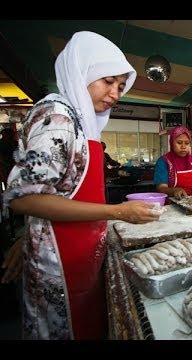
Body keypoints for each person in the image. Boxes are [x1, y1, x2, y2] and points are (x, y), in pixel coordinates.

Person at [0, 31, 161, 340]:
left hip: (82, 254)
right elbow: (21, 198)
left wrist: (31, 234)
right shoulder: (57, 117)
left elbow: (54, 190)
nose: (115, 93)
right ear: (83, 70)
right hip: (57, 267)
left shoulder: (82, 122)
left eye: (120, 86)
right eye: (108, 81)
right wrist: (118, 211)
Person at [153, 126, 192, 199]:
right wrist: (175, 191)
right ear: (172, 143)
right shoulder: (163, 162)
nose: (183, 146)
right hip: (170, 204)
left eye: (187, 143)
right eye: (179, 143)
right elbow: (161, 188)